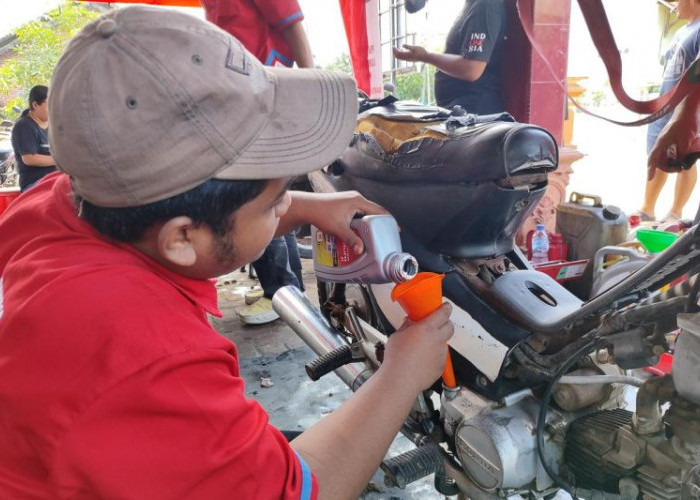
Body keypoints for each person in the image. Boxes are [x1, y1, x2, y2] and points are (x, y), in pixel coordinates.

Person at [0, 7, 454, 499]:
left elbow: (209, 219)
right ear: (180, 240)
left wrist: (307, 204)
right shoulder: (149, 358)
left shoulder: (59, 202)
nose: (285, 205)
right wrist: (402, 374)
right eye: (274, 199)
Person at [202, 0, 314, 325]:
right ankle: (286, 289)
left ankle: (279, 291)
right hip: (238, 88)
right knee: (270, 195)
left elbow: (291, 23)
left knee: (256, 194)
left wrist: (308, 85)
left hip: (257, 85)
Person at [639, 0, 700, 223]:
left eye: (677, 0)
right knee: (657, 155)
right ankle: (647, 208)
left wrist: (688, 113)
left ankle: (675, 212)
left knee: (685, 160)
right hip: (665, 108)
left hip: (687, 111)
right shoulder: (683, 30)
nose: (674, 5)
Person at [393, 0, 506, 114]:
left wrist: (425, 57)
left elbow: (472, 68)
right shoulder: (473, 5)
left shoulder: (485, 5)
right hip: (460, 111)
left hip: (473, 114)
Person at [10, 85, 57, 192]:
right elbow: (30, 158)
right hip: (35, 183)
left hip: (54, 178)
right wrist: (60, 161)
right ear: (35, 105)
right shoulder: (24, 126)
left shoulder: (52, 126)